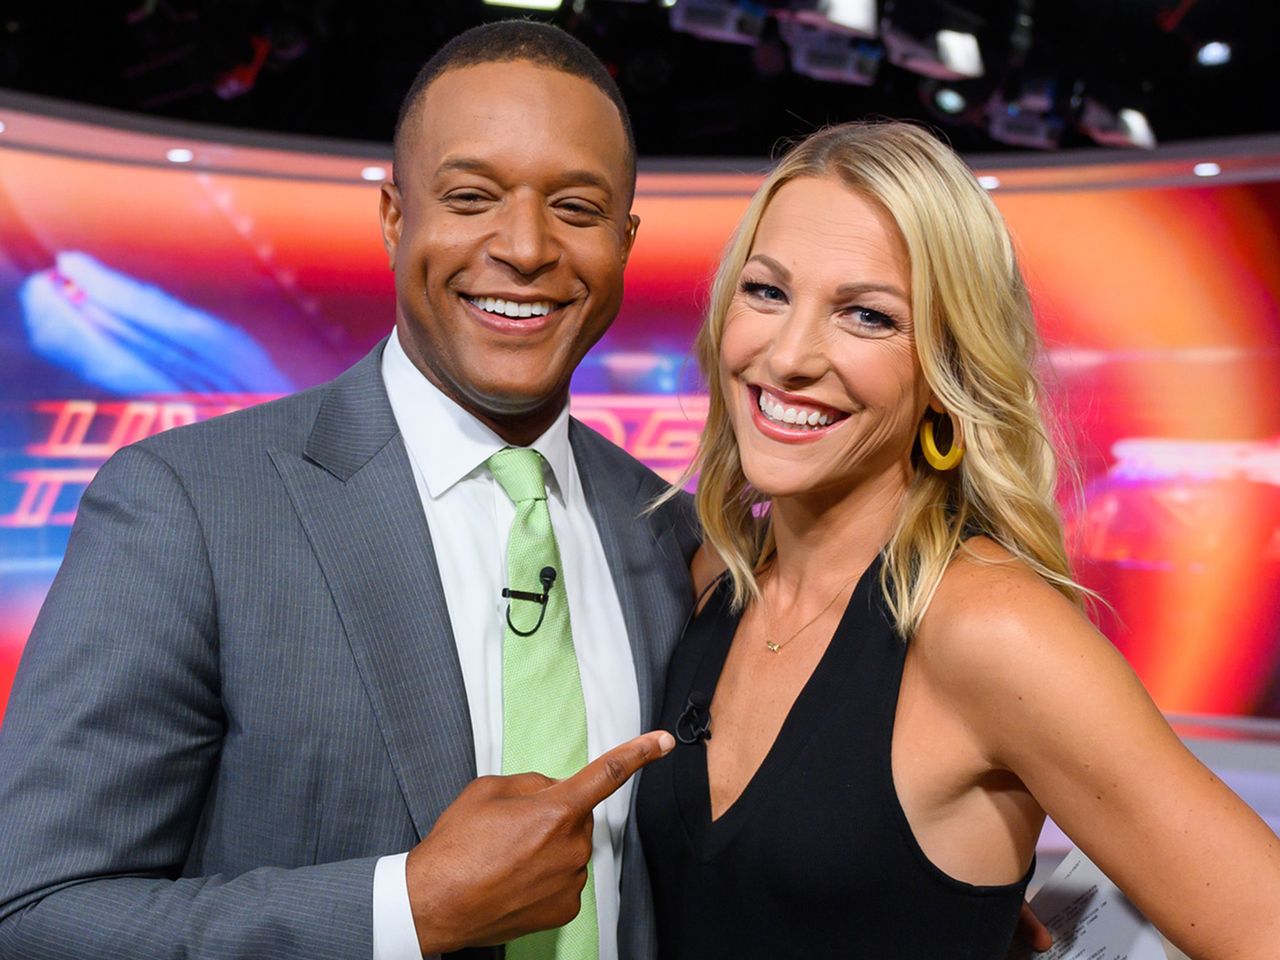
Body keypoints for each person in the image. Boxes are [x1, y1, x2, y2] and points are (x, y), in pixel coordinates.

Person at [0, 21, 700, 960]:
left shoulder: (669, 535)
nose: (527, 247)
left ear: (625, 239)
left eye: (576, 208)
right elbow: (35, 913)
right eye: (471, 196)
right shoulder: (188, 508)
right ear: (393, 219)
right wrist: (403, 912)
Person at [636, 121, 1280, 958]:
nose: (789, 355)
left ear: (949, 369)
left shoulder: (994, 631)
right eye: (766, 292)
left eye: (867, 316)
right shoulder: (710, 577)